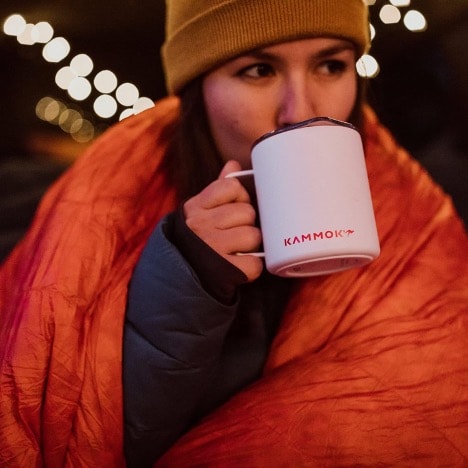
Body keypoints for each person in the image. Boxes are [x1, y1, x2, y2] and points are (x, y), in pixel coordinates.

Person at [1, 1, 467, 467]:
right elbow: (97, 439)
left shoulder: (415, 210)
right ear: (197, 89)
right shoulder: (107, 210)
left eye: (331, 65)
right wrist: (187, 276)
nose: (300, 111)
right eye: (259, 69)